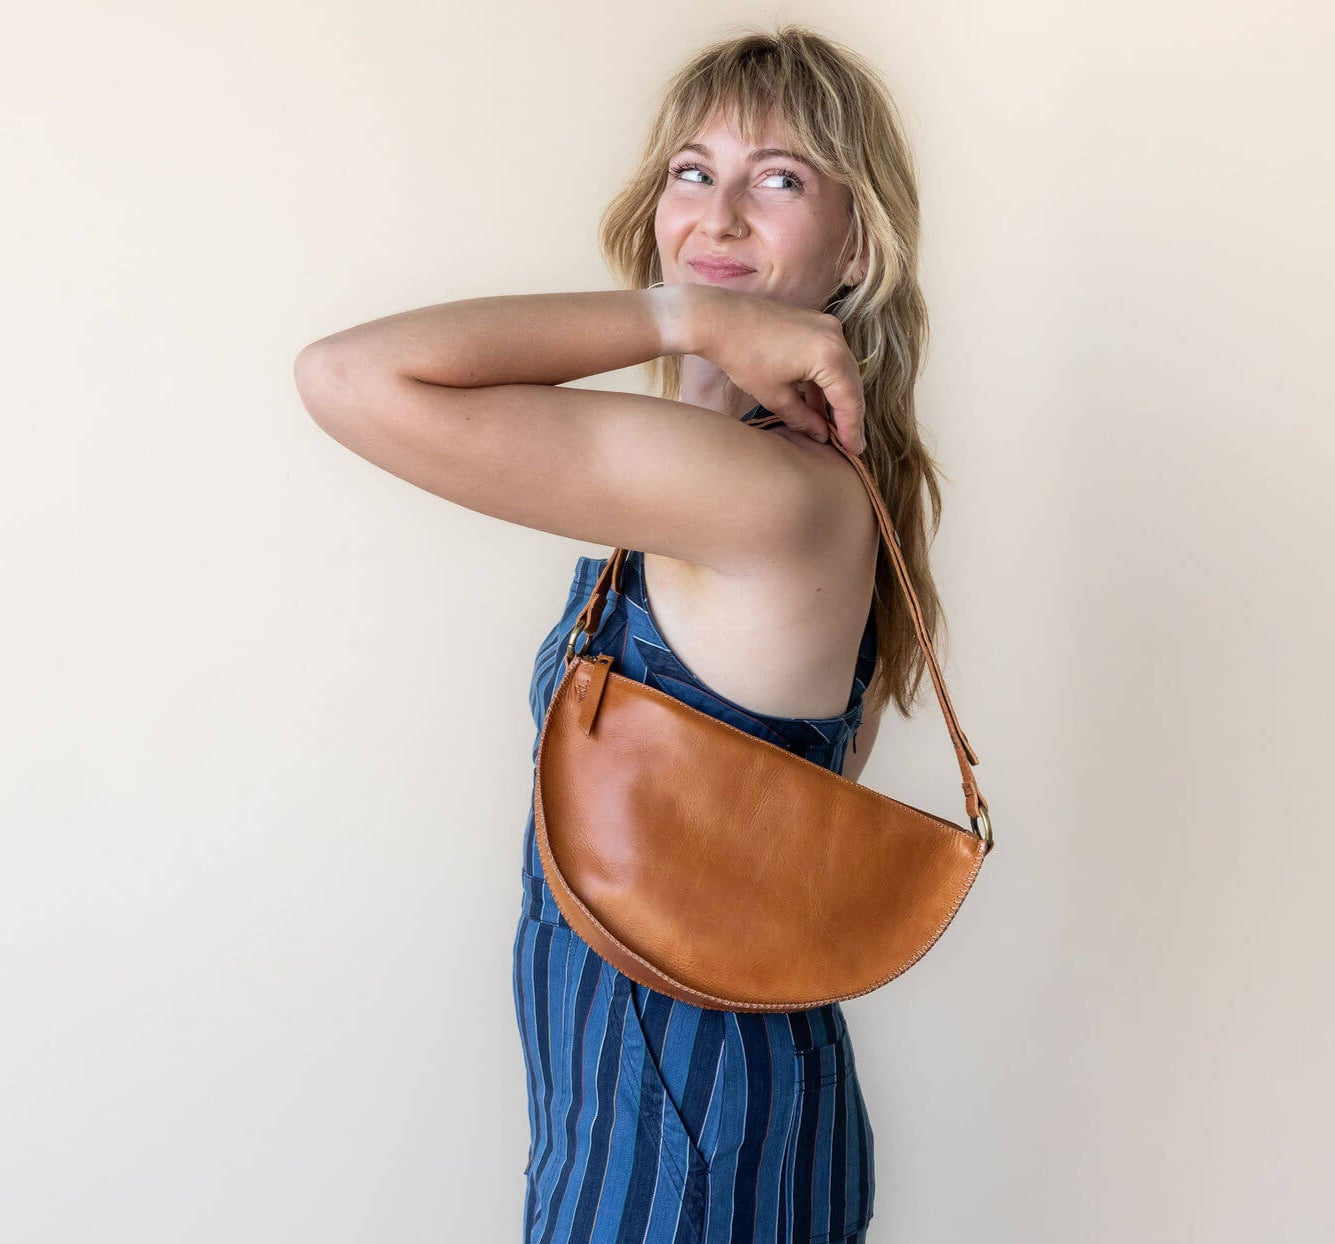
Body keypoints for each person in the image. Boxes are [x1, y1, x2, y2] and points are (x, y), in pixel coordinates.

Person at [294, 22, 961, 1244]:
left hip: (690, 1131)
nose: (718, 216)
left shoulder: (766, 491)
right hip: (648, 1103)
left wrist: (682, 324)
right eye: (692, 171)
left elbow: (349, 375)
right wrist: (702, 338)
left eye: (781, 177)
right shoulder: (744, 479)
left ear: (856, 244)